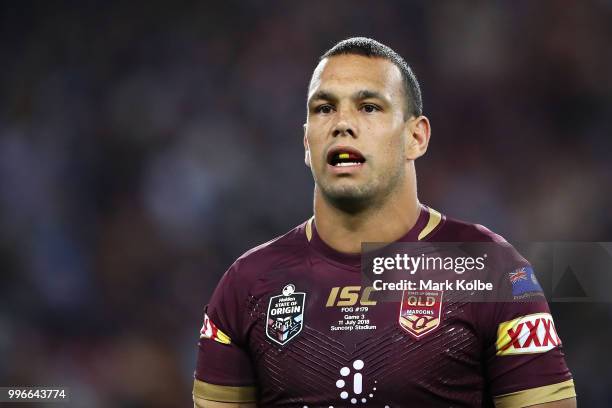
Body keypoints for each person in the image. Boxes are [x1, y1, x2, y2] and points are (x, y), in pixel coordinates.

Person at [193, 37, 576, 407]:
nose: (342, 124)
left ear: (416, 137)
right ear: (307, 142)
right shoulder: (246, 284)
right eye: (324, 108)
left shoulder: (492, 270)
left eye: (369, 107)